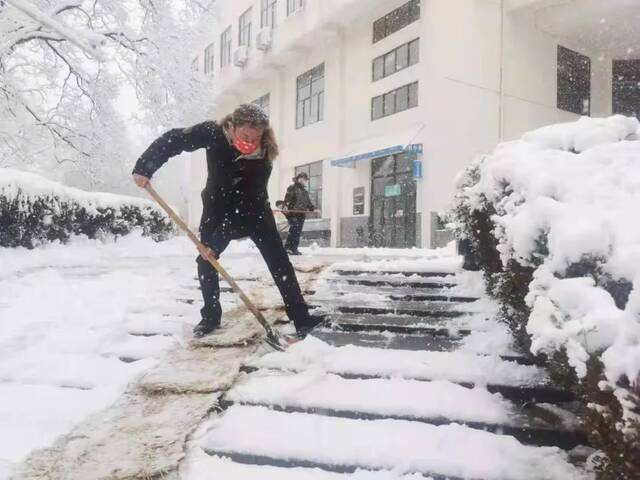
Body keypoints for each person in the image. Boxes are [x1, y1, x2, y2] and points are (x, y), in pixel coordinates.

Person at [131, 104, 320, 339]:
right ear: (231, 126)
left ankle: (301, 316)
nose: (251, 143)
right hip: (217, 208)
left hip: (254, 210)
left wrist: (219, 238)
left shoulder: (263, 155)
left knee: (279, 262)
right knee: (206, 260)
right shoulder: (212, 133)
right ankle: (210, 316)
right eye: (245, 136)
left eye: (256, 137)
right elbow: (174, 140)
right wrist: (144, 167)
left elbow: (246, 206)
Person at [283, 172, 315, 255]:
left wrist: (311, 207)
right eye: (304, 179)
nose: (305, 181)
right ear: (299, 179)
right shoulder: (292, 188)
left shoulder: (304, 191)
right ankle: (288, 248)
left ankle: (294, 249)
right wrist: (288, 212)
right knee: (294, 231)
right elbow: (287, 201)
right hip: (293, 214)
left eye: (305, 180)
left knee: (297, 232)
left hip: (301, 214)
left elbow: (307, 201)